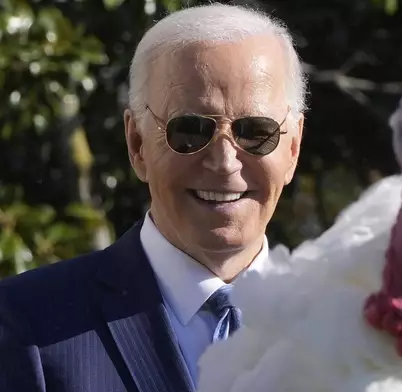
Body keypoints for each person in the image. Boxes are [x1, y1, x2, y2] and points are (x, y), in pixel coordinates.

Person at [0, 4, 306, 392]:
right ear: (138, 145)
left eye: (255, 131)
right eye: (191, 131)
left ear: (293, 148)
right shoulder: (27, 325)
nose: (226, 162)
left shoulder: (353, 322)